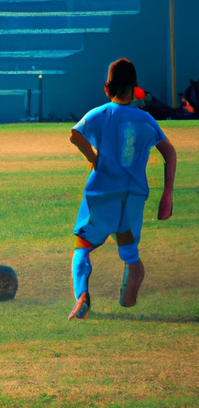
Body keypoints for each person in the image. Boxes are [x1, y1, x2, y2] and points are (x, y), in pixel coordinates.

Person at [69, 58, 177, 320]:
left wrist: (93, 157)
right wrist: (167, 194)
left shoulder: (102, 113)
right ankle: (132, 278)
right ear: (134, 88)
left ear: (107, 87)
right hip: (134, 195)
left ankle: (82, 295)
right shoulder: (145, 119)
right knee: (125, 236)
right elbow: (169, 152)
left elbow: (75, 134)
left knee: (82, 246)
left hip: (103, 191)